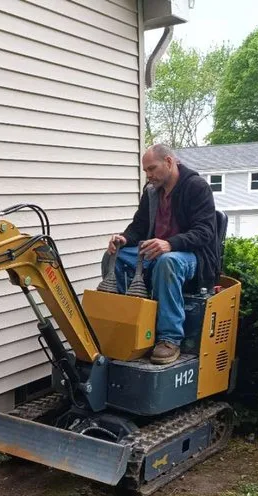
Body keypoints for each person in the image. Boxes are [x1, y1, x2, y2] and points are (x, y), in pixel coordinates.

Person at [103, 144, 218, 365]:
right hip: (158, 251)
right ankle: (126, 326)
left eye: (152, 169)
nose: (149, 175)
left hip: (192, 257)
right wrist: (124, 238)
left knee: (168, 262)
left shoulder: (196, 187)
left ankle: (170, 338)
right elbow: (139, 226)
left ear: (169, 161)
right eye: (145, 171)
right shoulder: (151, 192)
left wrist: (170, 244)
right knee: (113, 257)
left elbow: (205, 232)